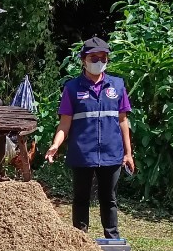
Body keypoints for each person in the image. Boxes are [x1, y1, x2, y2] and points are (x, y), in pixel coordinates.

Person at [44, 37, 135, 239]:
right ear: (83, 60)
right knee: (81, 198)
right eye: (94, 58)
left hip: (111, 153)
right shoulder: (72, 88)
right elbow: (65, 123)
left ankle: (112, 240)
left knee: (109, 199)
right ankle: (80, 240)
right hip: (82, 153)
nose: (99, 62)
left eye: (103, 58)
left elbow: (123, 121)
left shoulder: (117, 85)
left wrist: (128, 153)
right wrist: (55, 144)